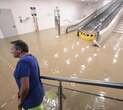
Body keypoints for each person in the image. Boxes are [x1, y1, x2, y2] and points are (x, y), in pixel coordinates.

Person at [10, 40, 44, 110]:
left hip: (31, 101)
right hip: (38, 95)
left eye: (12, 49)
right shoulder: (31, 57)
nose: (11, 51)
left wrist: (20, 102)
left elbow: (25, 88)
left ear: (19, 50)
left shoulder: (23, 62)